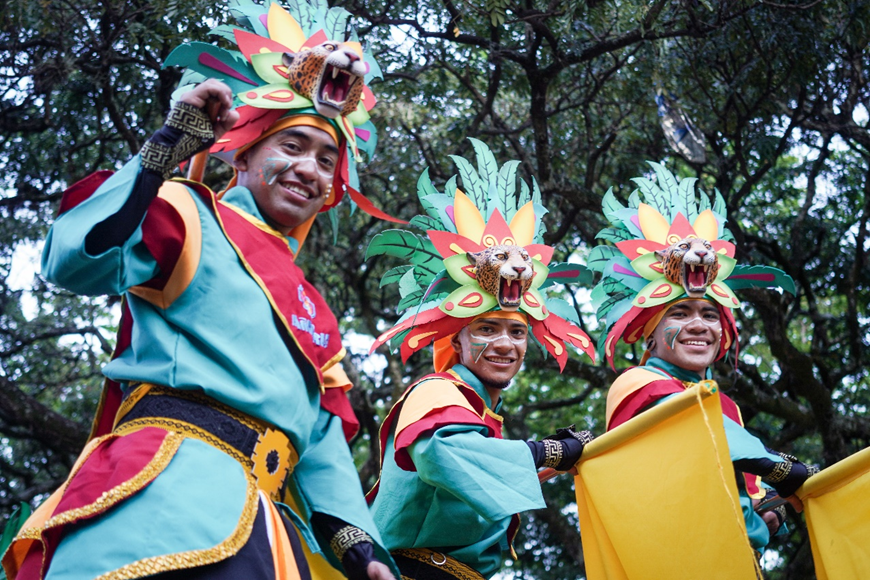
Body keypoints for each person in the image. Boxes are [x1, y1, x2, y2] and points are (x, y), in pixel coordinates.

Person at [1, 2, 399, 579]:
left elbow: (321, 442)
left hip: (268, 532)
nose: (309, 169)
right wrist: (165, 150)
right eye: (291, 146)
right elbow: (76, 261)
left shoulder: (319, 314)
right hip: (163, 489)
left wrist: (362, 551)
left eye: (326, 159)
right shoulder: (189, 214)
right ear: (244, 155)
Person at [365, 142, 596, 580]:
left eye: (517, 331)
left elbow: (476, 474)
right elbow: (443, 454)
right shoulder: (437, 390)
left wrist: (558, 458)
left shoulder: (477, 409)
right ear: (458, 337)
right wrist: (548, 450)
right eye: (487, 329)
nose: (505, 344)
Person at [588, 162, 816, 551]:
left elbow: (740, 486)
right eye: (679, 313)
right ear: (650, 333)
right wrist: (781, 467)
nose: (699, 325)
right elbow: (700, 433)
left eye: (710, 315)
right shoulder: (637, 382)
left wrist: (764, 511)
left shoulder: (726, 405)